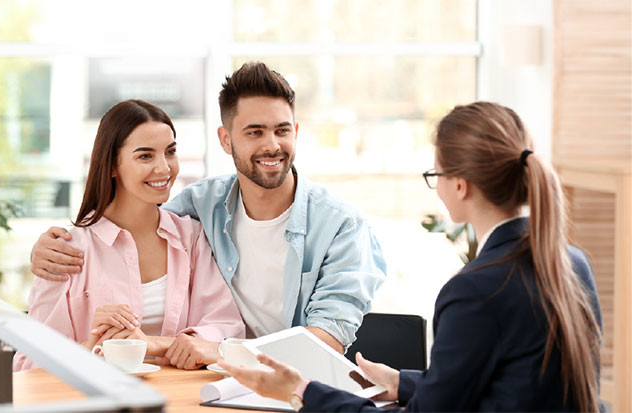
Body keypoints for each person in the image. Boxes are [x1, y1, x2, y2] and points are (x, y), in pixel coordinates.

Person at [219, 101, 603, 412]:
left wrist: (302, 390)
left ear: (460, 185)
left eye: (435, 175)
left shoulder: (476, 291)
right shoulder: (572, 262)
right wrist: (402, 383)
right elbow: (510, 382)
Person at [28, 61, 387, 358]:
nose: (272, 145)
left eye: (281, 130)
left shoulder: (342, 226)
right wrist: (46, 249)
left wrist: (208, 350)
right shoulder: (202, 208)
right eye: (255, 132)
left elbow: (323, 344)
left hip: (297, 387)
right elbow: (134, 215)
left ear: (296, 131)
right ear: (225, 139)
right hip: (215, 382)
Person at [13, 100, 244, 371]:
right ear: (111, 166)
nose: (164, 168)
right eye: (145, 156)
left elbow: (227, 330)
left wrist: (157, 343)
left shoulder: (190, 237)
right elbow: (26, 366)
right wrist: (93, 346)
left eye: (170, 152)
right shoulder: (65, 250)